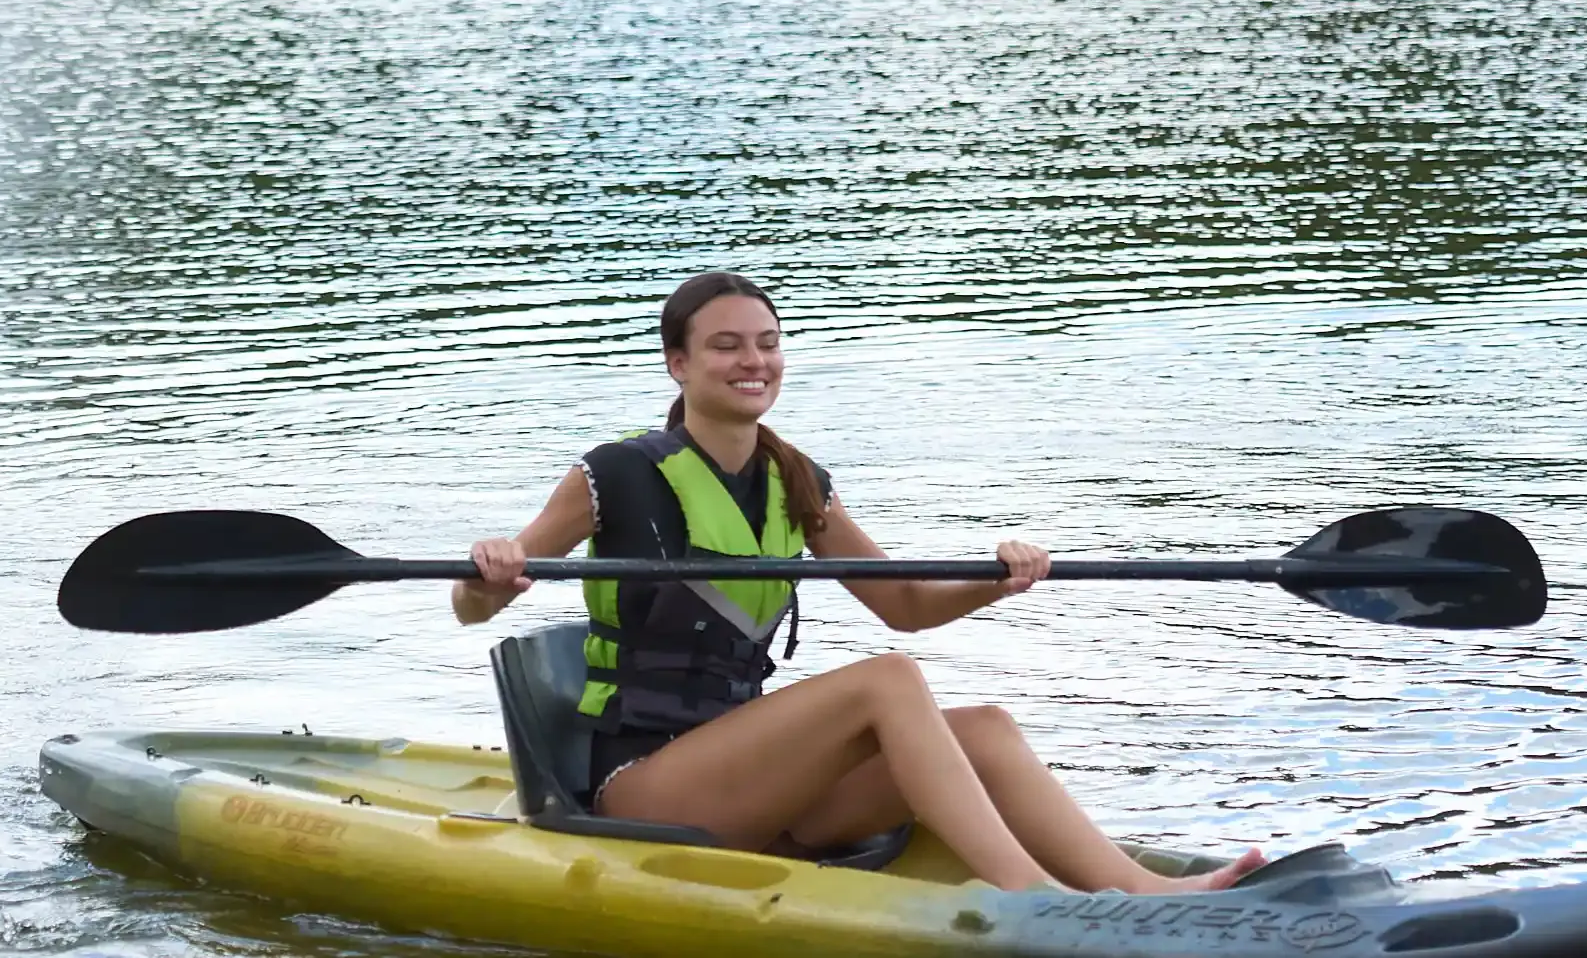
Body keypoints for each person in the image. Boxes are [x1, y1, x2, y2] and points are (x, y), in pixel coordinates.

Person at [455, 272, 1268, 893]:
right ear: (679, 363)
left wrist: (999, 579)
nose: (754, 360)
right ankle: (1039, 898)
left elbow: (907, 605)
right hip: (644, 784)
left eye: (768, 341)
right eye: (727, 344)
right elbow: (469, 605)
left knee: (981, 724)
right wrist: (490, 575)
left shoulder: (796, 479)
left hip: (756, 783)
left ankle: (1150, 890)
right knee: (885, 681)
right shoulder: (613, 473)